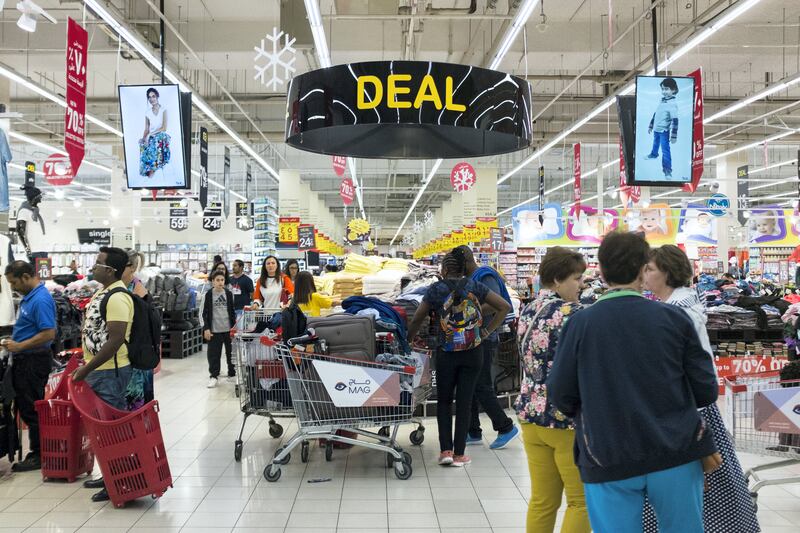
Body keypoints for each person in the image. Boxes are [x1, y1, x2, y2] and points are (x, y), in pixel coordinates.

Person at [546, 231, 719, 533]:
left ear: (599, 269)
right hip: (675, 451)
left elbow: (560, 394)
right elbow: (706, 390)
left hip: (606, 452)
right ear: (642, 269)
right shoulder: (674, 319)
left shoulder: (580, 324)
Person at [643, 245, 760, 533]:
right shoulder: (680, 305)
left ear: (667, 273)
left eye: (650, 269)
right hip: (688, 408)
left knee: (696, 484)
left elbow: (690, 367)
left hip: (685, 411)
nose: (644, 275)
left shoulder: (676, 311)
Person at [406, 252, 510, 468]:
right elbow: (504, 307)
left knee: (444, 401)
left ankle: (445, 451)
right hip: (473, 351)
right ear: (464, 269)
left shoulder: (436, 289)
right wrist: (486, 332)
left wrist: (408, 340)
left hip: (446, 352)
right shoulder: (475, 286)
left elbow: (418, 317)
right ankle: (460, 454)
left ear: (444, 270)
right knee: (464, 401)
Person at [516, 248, 590, 533]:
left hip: (531, 415)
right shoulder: (573, 314)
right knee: (580, 502)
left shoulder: (529, 309)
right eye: (576, 278)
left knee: (542, 501)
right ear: (558, 279)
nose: (581, 284)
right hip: (564, 419)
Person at [72, 247, 135, 503]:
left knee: (111, 431)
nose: (93, 267)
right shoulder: (103, 291)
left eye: (98, 263)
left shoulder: (119, 297)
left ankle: (118, 482)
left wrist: (86, 369)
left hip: (110, 372)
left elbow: (116, 339)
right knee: (102, 430)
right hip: (99, 370)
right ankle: (109, 475)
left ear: (110, 270)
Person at [452, 246, 519, 449]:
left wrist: (470, 310)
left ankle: (505, 427)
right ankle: (473, 431)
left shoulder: (485, 275)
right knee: (469, 385)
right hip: (475, 336)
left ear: (465, 261)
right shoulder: (472, 278)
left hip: (486, 338)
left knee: (481, 385)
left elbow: (497, 303)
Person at [1, 261, 56, 472]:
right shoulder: (29, 298)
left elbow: (48, 333)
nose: (13, 287)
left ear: (25, 276)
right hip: (26, 358)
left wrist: (19, 345)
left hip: (33, 360)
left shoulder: (40, 299)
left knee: (32, 407)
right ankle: (39, 451)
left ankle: (39, 454)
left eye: (14, 282)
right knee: (27, 406)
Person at [123, 248, 153, 406]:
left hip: (135, 352)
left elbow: (139, 323)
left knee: (135, 399)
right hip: (131, 351)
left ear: (131, 267)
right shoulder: (129, 286)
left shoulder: (137, 289)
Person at [202, 271, 235, 388]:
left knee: (231, 353)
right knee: (213, 354)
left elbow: (232, 312)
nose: (220, 282)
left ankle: (232, 373)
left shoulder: (229, 294)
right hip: (214, 330)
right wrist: (206, 328)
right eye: (217, 280)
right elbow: (204, 313)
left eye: (222, 280)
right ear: (213, 282)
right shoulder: (209, 294)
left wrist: (234, 328)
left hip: (228, 329)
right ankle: (214, 376)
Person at [646, 77, 679, 179]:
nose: (664, 91)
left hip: (664, 131)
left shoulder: (672, 104)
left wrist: (674, 136)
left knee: (665, 150)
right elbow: (656, 113)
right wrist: (651, 125)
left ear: (673, 90)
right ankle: (654, 154)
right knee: (655, 143)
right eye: (663, 89)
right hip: (656, 129)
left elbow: (675, 120)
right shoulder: (662, 100)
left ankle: (667, 170)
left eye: (667, 89)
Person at [139, 87, 171, 178]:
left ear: (157, 96)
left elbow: (164, 127)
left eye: (153, 96)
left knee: (154, 142)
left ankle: (153, 169)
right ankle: (148, 171)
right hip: (151, 137)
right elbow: (146, 129)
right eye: (149, 97)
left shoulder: (164, 110)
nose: (151, 99)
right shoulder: (147, 113)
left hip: (160, 136)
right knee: (142, 145)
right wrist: (143, 138)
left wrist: (150, 135)